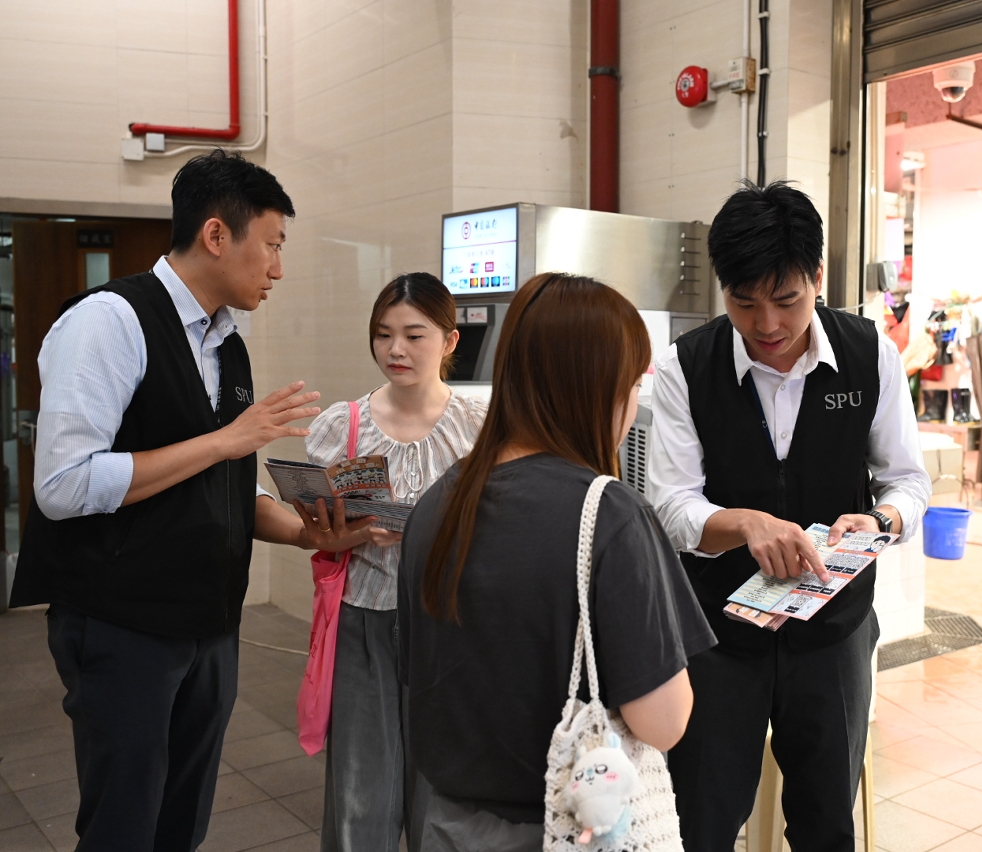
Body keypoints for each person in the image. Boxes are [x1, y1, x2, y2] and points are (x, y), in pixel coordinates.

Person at [9, 149, 376, 851]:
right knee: (124, 825)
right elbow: (63, 485)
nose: (278, 268)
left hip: (208, 624)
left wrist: (305, 532)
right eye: (271, 245)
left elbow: (223, 483)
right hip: (121, 623)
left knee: (182, 822)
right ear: (215, 235)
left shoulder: (226, 341)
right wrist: (225, 440)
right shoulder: (109, 320)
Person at [650, 181, 932, 852]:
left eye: (787, 300)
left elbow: (908, 482)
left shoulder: (870, 356)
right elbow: (671, 503)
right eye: (744, 303)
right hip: (718, 635)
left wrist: (880, 521)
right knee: (702, 822)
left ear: (818, 279)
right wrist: (744, 524)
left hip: (833, 632)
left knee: (825, 823)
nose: (767, 324)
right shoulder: (686, 367)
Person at [398, 272, 717, 851]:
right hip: (567, 830)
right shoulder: (610, 515)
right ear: (598, 389)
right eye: (632, 384)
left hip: (445, 824)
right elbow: (664, 722)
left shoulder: (438, 504)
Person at [305, 273, 486, 852]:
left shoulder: (480, 427)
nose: (396, 349)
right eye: (383, 335)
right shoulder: (345, 425)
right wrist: (351, 531)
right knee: (361, 793)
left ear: (450, 340)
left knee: (445, 791)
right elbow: (319, 533)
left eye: (414, 334)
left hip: (450, 623)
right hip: (364, 618)